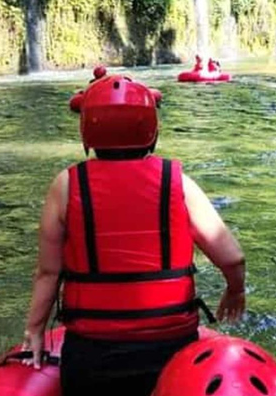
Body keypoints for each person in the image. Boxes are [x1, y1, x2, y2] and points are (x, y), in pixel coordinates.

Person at [22, 74, 246, 396]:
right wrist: (235, 292)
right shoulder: (177, 182)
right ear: (151, 128)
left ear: (88, 130)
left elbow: (48, 272)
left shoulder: (66, 185)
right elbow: (232, 258)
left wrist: (35, 330)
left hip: (92, 356)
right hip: (170, 352)